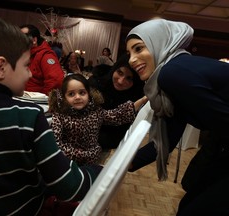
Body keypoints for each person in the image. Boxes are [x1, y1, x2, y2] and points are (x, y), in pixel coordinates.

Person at [0, 13, 102, 215]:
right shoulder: (28, 117)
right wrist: (101, 172)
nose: (31, 73)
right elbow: (70, 187)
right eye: (26, 65)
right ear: (1, 68)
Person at [126, 18, 229, 215]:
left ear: (160, 43)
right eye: (129, 53)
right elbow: (167, 140)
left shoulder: (173, 73)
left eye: (138, 49)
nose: (131, 59)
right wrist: (125, 164)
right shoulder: (171, 76)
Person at [48, 73, 146, 166]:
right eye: (71, 94)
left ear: (89, 94)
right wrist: (82, 155)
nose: (77, 97)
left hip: (92, 163)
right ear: (64, 97)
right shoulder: (59, 115)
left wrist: (140, 102)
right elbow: (55, 143)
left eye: (82, 93)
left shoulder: (95, 111)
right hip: (68, 164)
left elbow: (116, 115)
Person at [89, 54, 145, 149]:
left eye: (129, 78)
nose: (120, 81)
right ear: (114, 68)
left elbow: (118, 136)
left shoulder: (135, 96)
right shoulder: (95, 84)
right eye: (120, 72)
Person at [20, 24, 64, 95]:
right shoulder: (25, 55)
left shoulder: (45, 55)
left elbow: (56, 80)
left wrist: (43, 98)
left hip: (36, 102)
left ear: (34, 40)